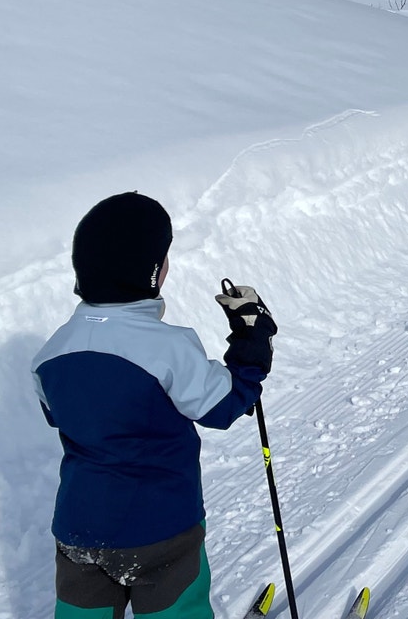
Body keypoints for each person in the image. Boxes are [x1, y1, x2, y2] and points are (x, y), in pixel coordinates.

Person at [32, 193, 277, 619]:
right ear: (151, 272)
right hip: (161, 529)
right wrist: (251, 344)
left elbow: (62, 416)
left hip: (78, 529)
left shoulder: (50, 353)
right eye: (163, 259)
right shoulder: (168, 347)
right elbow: (222, 406)